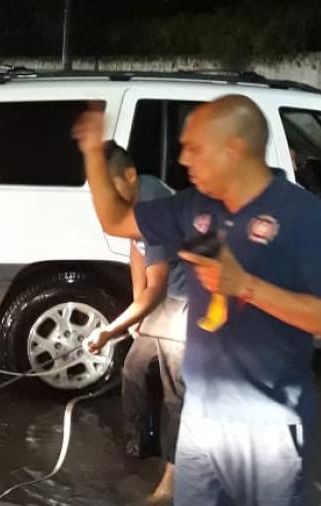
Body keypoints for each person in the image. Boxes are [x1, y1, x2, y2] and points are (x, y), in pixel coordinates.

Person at [72, 95, 321, 505]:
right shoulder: (194, 208)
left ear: (233, 148)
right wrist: (92, 152)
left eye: (194, 147)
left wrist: (248, 286)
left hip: (268, 427)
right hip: (201, 414)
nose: (182, 159)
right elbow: (116, 220)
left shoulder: (305, 216)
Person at [85, 142, 187, 505]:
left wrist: (110, 329)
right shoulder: (132, 201)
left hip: (188, 300)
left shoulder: (153, 206)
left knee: (176, 391)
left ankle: (172, 481)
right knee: (134, 368)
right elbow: (136, 253)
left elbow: (157, 289)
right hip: (164, 297)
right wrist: (135, 309)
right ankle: (141, 446)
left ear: (129, 176)